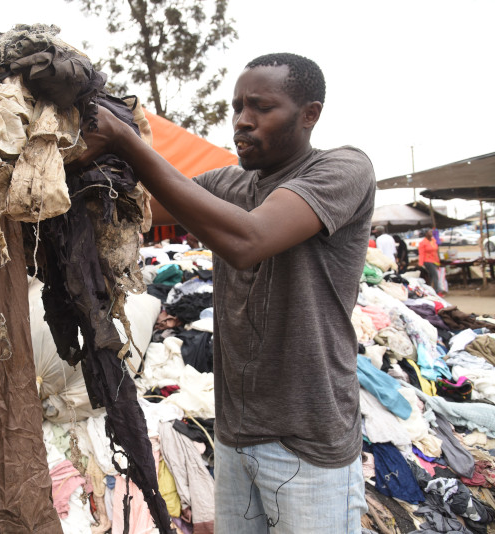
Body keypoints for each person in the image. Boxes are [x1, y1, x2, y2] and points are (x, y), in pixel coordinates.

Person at [77, 53, 374, 533]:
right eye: (236, 107)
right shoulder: (228, 183)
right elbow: (135, 206)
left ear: (310, 114)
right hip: (236, 434)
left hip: (308, 442)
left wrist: (126, 140)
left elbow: (247, 242)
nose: (242, 121)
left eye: (261, 107)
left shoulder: (343, 170)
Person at [418, 229, 442, 294]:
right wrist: (420, 264)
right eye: (430, 232)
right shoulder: (423, 243)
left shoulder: (433, 241)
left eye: (431, 232)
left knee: (431, 276)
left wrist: (438, 262)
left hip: (434, 261)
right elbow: (421, 254)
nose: (431, 233)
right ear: (426, 234)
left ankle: (430, 290)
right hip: (427, 261)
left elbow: (436, 252)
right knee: (435, 275)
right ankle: (437, 291)